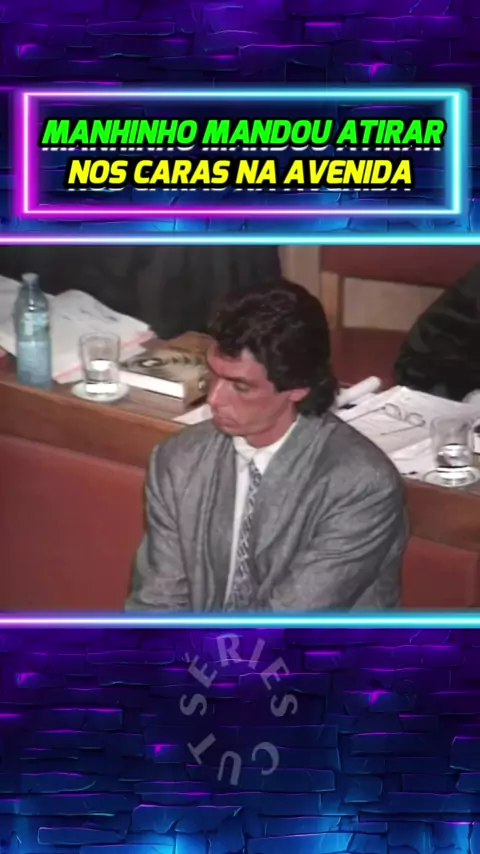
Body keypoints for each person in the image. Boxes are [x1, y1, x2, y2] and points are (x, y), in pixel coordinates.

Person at [126, 279, 408, 612]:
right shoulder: (178, 459)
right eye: (213, 373)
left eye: (240, 386)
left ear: (298, 388)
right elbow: (158, 602)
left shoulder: (361, 485)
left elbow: (290, 623)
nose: (214, 398)